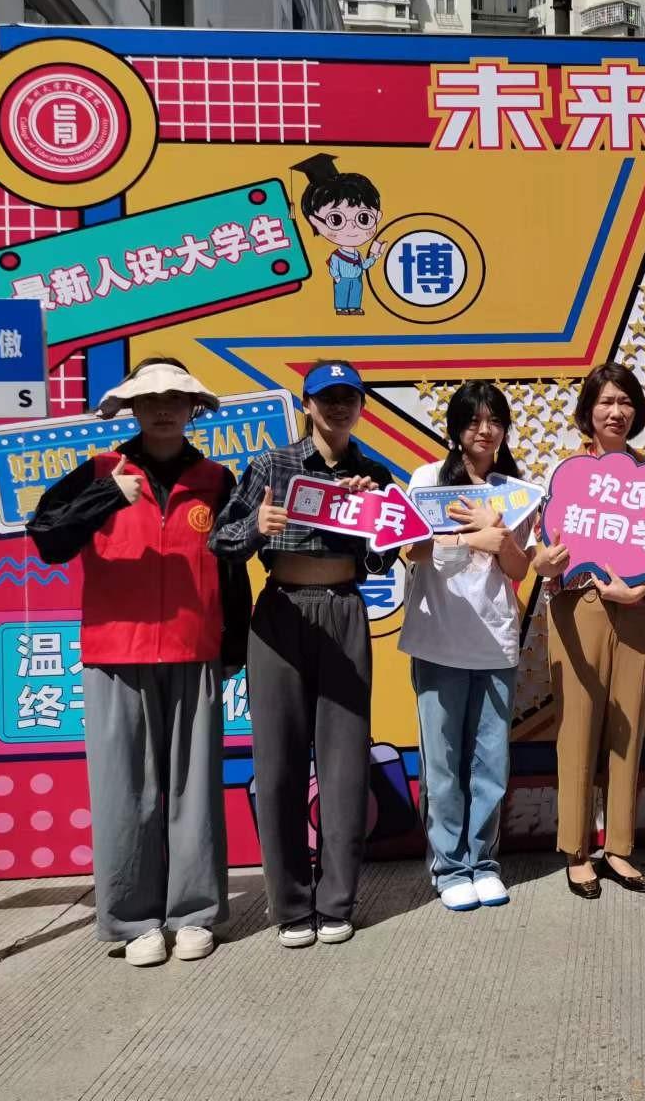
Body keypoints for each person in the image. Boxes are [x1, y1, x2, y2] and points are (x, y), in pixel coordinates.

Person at [28, 357, 248, 967]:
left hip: (194, 649)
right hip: (114, 654)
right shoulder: (100, 471)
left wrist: (234, 645)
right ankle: (132, 919)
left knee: (194, 791)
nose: (163, 410)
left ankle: (195, 913)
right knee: (124, 791)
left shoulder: (216, 479)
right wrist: (105, 497)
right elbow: (46, 539)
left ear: (193, 408)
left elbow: (233, 566)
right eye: (150, 400)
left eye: (176, 399)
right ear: (131, 408)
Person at [209, 360, 392, 947]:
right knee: (278, 763)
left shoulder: (373, 472)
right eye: (325, 397)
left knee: (344, 763)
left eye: (348, 397)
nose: (338, 406)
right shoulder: (273, 464)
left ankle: (336, 901)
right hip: (281, 609)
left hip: (344, 610)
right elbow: (221, 540)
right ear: (305, 404)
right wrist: (257, 526)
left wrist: (371, 520)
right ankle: (289, 904)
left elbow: (384, 560)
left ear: (361, 405)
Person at [531, 362, 645, 899]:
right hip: (578, 607)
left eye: (625, 401)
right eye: (606, 401)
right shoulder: (564, 473)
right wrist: (545, 561)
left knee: (628, 728)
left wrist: (639, 589)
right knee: (578, 729)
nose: (616, 411)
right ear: (588, 411)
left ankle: (620, 848)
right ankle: (576, 850)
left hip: (638, 609)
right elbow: (543, 549)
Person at [400, 381, 533, 912]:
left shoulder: (515, 489)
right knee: (443, 763)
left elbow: (519, 568)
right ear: (456, 428)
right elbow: (410, 550)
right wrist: (469, 537)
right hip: (438, 640)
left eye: (494, 420)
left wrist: (501, 538)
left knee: (490, 762)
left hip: (495, 643)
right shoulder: (428, 479)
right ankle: (449, 866)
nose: (485, 430)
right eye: (474, 420)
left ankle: (484, 862)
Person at [293, 153, 385, 315]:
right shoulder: (337, 255)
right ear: (315, 222)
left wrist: (375, 257)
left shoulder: (357, 254)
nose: (352, 227)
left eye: (364, 218)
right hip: (342, 280)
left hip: (356, 279)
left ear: (377, 216)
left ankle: (354, 308)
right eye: (336, 220)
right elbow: (334, 267)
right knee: (342, 294)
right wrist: (336, 277)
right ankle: (342, 308)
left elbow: (363, 266)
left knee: (356, 293)